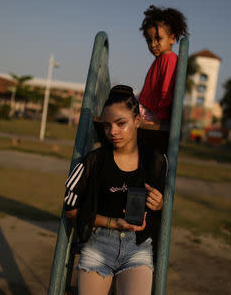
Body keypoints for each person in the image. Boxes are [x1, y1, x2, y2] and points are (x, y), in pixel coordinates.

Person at [64, 85, 168, 295]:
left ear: (137, 120)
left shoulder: (156, 162)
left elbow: (161, 210)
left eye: (121, 123)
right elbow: (70, 209)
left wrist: (160, 203)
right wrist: (112, 222)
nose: (113, 132)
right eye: (107, 126)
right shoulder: (93, 161)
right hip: (99, 244)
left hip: (137, 248)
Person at [138, 5, 189, 124]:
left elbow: (166, 92)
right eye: (149, 40)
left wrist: (159, 118)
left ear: (172, 38)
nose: (153, 44)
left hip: (152, 114)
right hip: (145, 109)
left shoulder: (169, 58)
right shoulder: (160, 59)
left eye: (158, 39)